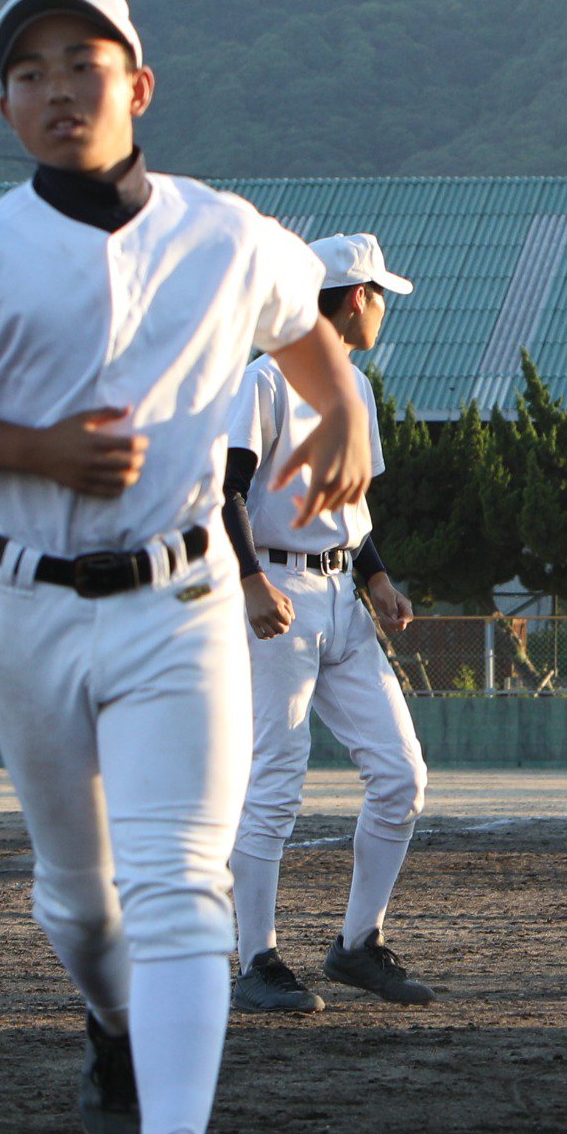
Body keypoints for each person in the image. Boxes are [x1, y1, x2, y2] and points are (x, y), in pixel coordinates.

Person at [0, 0, 371, 1134]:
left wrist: (349, 410)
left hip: (183, 595)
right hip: (30, 596)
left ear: (137, 87)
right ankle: (108, 1028)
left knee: (180, 881)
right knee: (81, 906)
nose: (56, 88)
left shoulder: (227, 234)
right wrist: (30, 444)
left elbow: (306, 330)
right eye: (29, 71)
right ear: (4, 105)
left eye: (82, 64)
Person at [224, 233, 436, 1014]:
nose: (384, 308)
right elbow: (226, 488)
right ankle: (256, 961)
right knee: (275, 783)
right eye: (380, 295)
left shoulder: (355, 390)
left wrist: (377, 578)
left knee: (401, 776)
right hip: (276, 591)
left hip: (342, 595)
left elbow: (353, 510)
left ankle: (356, 945)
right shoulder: (267, 378)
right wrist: (249, 581)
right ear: (355, 299)